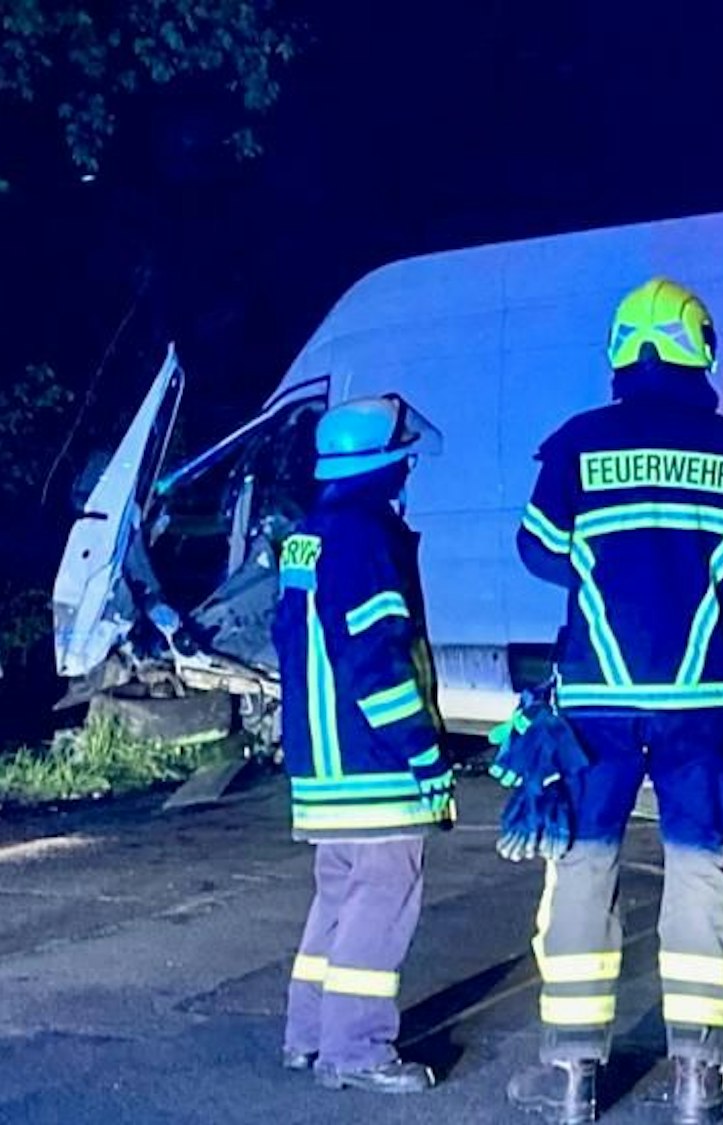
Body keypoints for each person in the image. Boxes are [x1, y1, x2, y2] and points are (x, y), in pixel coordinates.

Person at [507, 278, 723, 1124]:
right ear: (695, 346)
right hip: (696, 701)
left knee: (585, 867)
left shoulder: (577, 446)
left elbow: (539, 551)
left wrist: (607, 565)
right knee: (700, 867)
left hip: (594, 701)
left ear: (625, 349)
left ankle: (571, 1079)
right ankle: (699, 1078)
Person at [273, 395, 454, 1094]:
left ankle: (308, 1034)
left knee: (339, 901)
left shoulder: (309, 533)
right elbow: (376, 661)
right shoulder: (366, 537)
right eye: (404, 457)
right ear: (383, 464)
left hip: (321, 766)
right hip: (372, 766)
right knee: (381, 906)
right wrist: (423, 752)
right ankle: (355, 1049)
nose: (410, 467)